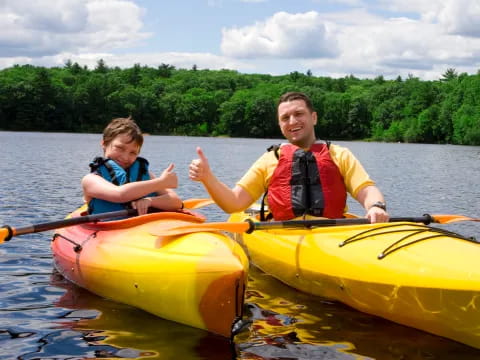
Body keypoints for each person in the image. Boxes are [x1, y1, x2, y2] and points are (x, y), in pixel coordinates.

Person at [189, 91, 389, 223]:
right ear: (280, 125)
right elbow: (234, 203)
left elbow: (366, 189)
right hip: (283, 235)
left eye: (299, 114)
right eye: (285, 118)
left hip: (331, 233)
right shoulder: (270, 159)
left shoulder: (339, 155)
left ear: (314, 117)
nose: (292, 121)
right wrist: (208, 178)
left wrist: (376, 207)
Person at [82, 116, 182, 215]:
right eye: (120, 148)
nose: (125, 157)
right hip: (109, 228)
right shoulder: (90, 180)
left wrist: (150, 201)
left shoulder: (147, 176)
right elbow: (119, 194)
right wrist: (161, 182)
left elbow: (176, 202)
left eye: (133, 152)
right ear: (104, 144)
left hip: (144, 227)